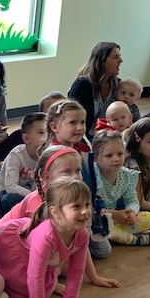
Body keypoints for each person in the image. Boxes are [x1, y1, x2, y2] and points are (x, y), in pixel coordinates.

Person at [0, 145, 120, 290]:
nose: (75, 177)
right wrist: (52, 284)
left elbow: (80, 237)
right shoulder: (36, 202)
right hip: (9, 247)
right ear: (47, 177)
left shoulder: (72, 198)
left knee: (67, 266)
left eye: (78, 171)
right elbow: (34, 247)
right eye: (67, 172)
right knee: (57, 266)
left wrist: (94, 277)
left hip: (41, 244)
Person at [0, 177, 90, 298]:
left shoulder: (82, 234)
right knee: (17, 289)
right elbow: (35, 275)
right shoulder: (46, 236)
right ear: (55, 212)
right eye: (76, 206)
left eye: (87, 205)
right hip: (9, 253)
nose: (85, 211)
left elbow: (77, 270)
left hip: (38, 261)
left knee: (45, 284)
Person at [47, 99, 112, 259]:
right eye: (73, 122)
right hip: (64, 214)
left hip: (84, 208)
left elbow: (90, 181)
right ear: (55, 127)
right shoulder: (53, 154)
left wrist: (98, 203)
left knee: (103, 250)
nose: (79, 127)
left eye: (82, 122)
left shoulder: (82, 148)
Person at [92, 131, 150, 245]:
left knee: (149, 218)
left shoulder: (127, 175)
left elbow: (132, 200)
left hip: (118, 219)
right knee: (99, 227)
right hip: (99, 218)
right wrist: (114, 214)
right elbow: (93, 207)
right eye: (109, 155)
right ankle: (134, 240)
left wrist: (131, 213)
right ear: (95, 158)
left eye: (120, 154)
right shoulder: (93, 176)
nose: (116, 159)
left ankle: (117, 236)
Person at [0, 112, 48, 216]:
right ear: (26, 138)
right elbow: (10, 187)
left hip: (34, 193)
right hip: (7, 194)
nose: (46, 137)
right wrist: (34, 196)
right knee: (10, 200)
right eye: (41, 132)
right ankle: (35, 210)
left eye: (48, 132)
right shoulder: (16, 155)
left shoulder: (47, 155)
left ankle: (35, 210)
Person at [68, 42, 122, 137]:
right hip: (84, 137)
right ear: (102, 61)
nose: (120, 60)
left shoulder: (118, 85)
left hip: (111, 137)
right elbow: (72, 117)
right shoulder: (82, 85)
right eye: (115, 57)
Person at [124, 118, 150, 233]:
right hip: (134, 209)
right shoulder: (134, 167)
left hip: (149, 202)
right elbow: (139, 202)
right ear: (138, 147)